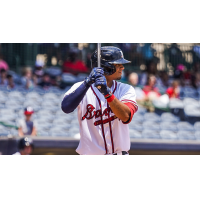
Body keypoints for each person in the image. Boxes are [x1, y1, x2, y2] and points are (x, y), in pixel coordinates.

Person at [61, 46, 138, 155]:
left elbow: (126, 116)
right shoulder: (80, 88)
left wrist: (107, 93)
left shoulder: (126, 89)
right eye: (118, 64)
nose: (122, 67)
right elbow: (66, 107)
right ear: (106, 67)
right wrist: (87, 82)